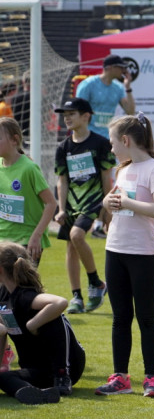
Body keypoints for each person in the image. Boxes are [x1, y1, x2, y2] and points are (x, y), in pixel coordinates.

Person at [95, 114, 154, 398]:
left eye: (113, 142)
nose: (112, 149)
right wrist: (108, 201)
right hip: (115, 250)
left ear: (125, 140)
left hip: (143, 254)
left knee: (146, 317)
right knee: (120, 317)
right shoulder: (122, 170)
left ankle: (151, 378)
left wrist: (127, 202)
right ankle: (120, 377)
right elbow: (115, 200)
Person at [0, 242, 85, 403]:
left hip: (67, 367)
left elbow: (60, 302)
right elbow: (2, 331)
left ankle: (62, 377)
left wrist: (33, 324)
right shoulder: (3, 297)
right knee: (3, 377)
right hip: (37, 370)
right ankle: (36, 393)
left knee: (53, 316)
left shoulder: (26, 296)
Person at [53, 97, 114, 315]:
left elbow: (107, 178)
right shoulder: (63, 147)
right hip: (70, 204)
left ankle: (96, 282)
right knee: (71, 246)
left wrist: (108, 208)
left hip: (94, 200)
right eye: (65, 114)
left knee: (77, 235)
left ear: (86, 116)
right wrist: (61, 209)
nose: (67, 118)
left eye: (71, 114)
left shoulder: (100, 143)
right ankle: (77, 296)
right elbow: (63, 181)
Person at [0, 118, 57, 264]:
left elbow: (51, 203)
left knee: (20, 286)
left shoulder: (29, 168)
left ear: (15, 140)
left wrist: (36, 236)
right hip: (3, 238)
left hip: (27, 240)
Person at [75, 54, 136, 137]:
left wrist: (128, 87)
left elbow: (130, 111)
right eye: (121, 67)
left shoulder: (118, 88)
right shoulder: (88, 84)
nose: (123, 70)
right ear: (109, 67)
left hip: (108, 138)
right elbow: (78, 111)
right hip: (88, 136)